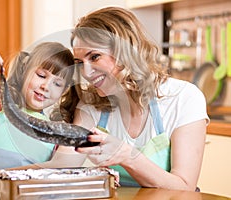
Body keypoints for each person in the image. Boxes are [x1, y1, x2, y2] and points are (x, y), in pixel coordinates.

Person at [69, 6, 209, 191]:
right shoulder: (91, 106)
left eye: (95, 57)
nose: (86, 73)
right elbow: (63, 164)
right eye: (80, 63)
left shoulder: (183, 98)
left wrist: (127, 156)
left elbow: (185, 187)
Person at [0, 42, 79, 195]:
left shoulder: (56, 131)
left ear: (64, 91)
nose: (46, 86)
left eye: (57, 84)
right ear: (25, 71)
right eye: (41, 75)